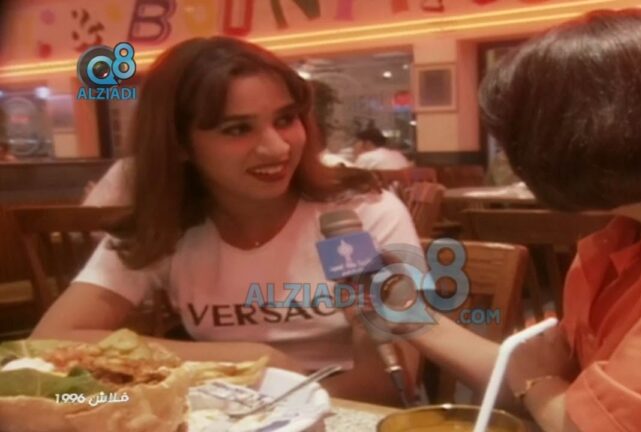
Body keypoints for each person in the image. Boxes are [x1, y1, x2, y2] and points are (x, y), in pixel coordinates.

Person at [392, 9, 641, 432]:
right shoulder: (626, 235)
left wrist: (538, 381)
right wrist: (404, 315)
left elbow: (582, 417)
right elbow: (568, 391)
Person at [34, 36, 423, 405]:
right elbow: (49, 341)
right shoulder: (166, 223)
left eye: (286, 119)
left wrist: (282, 398)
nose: (277, 147)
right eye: (238, 129)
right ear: (180, 144)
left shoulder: (361, 213)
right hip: (224, 411)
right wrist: (251, 358)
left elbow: (389, 385)